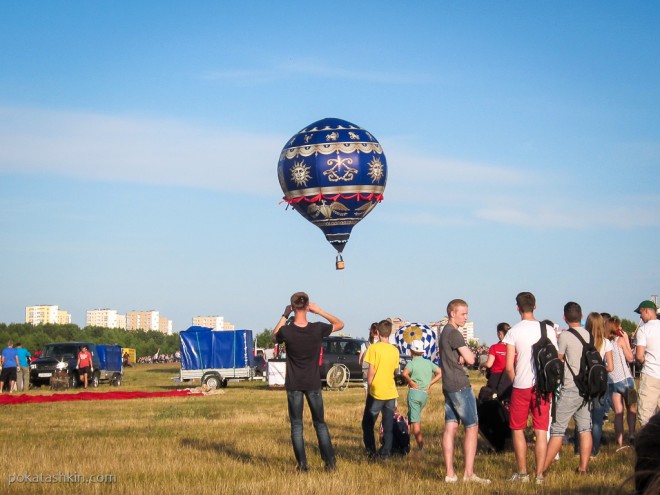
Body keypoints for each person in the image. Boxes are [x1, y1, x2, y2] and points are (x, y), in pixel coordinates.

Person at [272, 292, 343, 472]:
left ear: (293, 306)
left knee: (297, 425)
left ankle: (303, 465)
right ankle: (330, 463)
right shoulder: (317, 328)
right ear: (308, 306)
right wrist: (319, 311)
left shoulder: (287, 331)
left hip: (294, 384)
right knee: (320, 423)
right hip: (313, 384)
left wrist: (284, 314)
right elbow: (340, 324)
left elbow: (274, 336)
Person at [503, 292, 558, 485]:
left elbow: (509, 366)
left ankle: (523, 472)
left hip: (521, 386)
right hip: (543, 386)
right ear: (535, 306)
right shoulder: (548, 330)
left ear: (517, 308)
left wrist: (516, 379)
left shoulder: (513, 332)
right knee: (541, 430)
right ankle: (540, 475)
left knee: (517, 429)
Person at [439, 299, 490, 484]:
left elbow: (455, 356)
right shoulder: (455, 334)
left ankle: (450, 473)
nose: (466, 317)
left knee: (451, 427)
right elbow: (471, 359)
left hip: (447, 384)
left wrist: (460, 355)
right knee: (472, 426)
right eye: (463, 314)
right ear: (452, 313)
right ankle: (468, 473)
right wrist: (468, 355)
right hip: (460, 384)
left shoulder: (444, 332)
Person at [544, 302, 593, 476]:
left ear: (564, 317)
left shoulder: (565, 336)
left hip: (570, 386)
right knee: (585, 429)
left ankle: (541, 471)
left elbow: (559, 359)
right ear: (581, 315)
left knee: (557, 430)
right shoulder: (589, 334)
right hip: (586, 388)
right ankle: (583, 468)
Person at [574, 312, 614, 457]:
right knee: (597, 420)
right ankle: (594, 451)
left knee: (582, 418)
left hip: (585, 383)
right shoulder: (606, 342)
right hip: (601, 385)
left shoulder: (583, 341)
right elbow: (611, 367)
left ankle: (578, 450)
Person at [362, 319, 400, 460]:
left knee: (368, 423)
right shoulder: (395, 351)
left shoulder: (373, 348)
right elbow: (394, 370)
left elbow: (371, 370)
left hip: (377, 391)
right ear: (390, 333)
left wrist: (370, 385)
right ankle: (386, 453)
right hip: (390, 391)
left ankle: (371, 453)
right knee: (388, 424)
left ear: (377, 332)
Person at [401, 339, 442, 451]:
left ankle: (421, 448)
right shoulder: (428, 363)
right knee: (409, 418)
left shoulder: (412, 363)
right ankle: (404, 442)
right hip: (424, 395)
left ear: (411, 351)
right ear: (422, 352)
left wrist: (411, 382)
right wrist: (430, 384)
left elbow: (404, 373)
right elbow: (440, 373)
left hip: (414, 394)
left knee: (415, 422)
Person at [607, 316, 636, 448]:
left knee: (618, 412)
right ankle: (631, 435)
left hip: (612, 381)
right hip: (626, 380)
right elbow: (630, 358)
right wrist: (627, 342)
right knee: (632, 408)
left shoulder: (606, 342)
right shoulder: (620, 340)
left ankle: (619, 441)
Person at [635, 300, 660, 427]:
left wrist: (645, 361)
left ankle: (649, 442)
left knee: (646, 413)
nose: (640, 316)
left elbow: (639, 356)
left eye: (640, 313)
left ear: (646, 311)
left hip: (650, 374)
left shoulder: (644, 330)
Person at [481, 322, 513, 401]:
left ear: (500, 333)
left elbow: (489, 364)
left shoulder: (494, 347)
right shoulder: (513, 348)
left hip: (495, 379)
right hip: (510, 378)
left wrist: (482, 364)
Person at [358, 323, 379, 396]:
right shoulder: (382, 345)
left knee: (367, 389)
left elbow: (360, 361)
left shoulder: (364, 345)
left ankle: (368, 405)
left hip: (366, 370)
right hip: (378, 371)